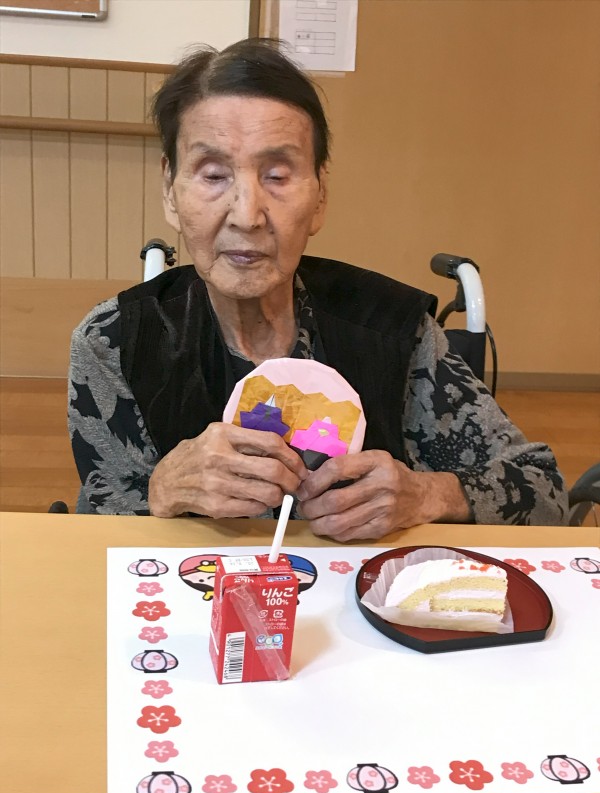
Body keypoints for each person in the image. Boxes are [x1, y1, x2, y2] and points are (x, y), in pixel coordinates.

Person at [68, 39, 568, 539]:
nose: (247, 215)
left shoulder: (393, 329)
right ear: (170, 191)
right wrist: (159, 489)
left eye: (277, 176)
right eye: (214, 175)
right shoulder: (115, 341)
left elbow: (543, 490)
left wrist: (427, 493)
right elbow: (94, 525)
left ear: (320, 196)